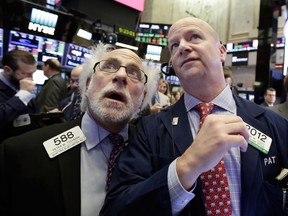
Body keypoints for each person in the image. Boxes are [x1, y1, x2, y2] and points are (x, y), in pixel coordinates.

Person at [101, 17, 288, 216]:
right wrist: (187, 166)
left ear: (221, 51)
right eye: (174, 46)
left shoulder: (273, 124)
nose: (182, 47)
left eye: (195, 37)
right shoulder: (149, 130)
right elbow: (118, 208)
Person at [0, 44, 158, 216]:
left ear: (143, 98)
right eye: (108, 67)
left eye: (134, 73)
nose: (120, 75)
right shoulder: (22, 154)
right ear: (87, 84)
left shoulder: (155, 156)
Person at [0, 50, 38, 143]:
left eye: (32, 73)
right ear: (7, 70)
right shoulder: (23, 90)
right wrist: (23, 94)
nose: (31, 78)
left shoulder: (20, 85)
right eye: (27, 74)